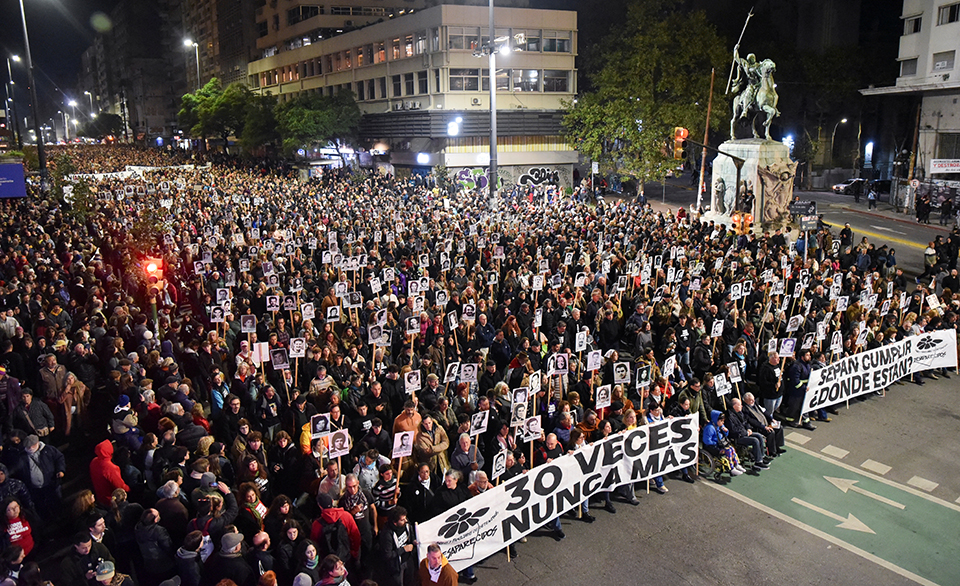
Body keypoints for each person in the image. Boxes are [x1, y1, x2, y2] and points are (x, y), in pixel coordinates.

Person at [378, 507, 417, 586]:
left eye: (405, 518)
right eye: (402, 520)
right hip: (397, 565)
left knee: (410, 580)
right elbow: (387, 555)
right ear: (395, 522)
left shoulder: (407, 524)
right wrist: (403, 549)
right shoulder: (387, 534)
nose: (405, 521)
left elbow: (411, 535)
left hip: (409, 559)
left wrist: (413, 541)